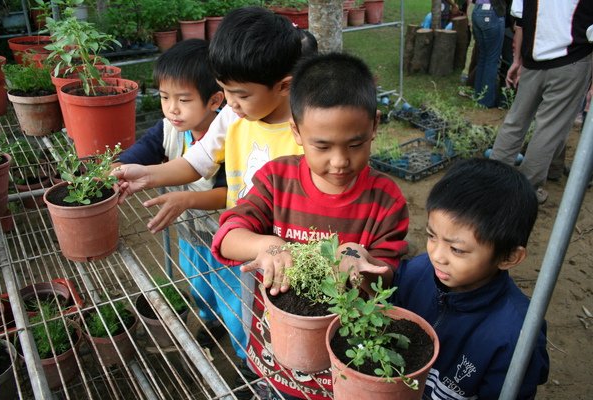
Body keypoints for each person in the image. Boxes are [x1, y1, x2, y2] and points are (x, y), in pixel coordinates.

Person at [112, 6, 310, 396]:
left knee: (272, 325)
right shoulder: (234, 116)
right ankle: (251, 365)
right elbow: (196, 162)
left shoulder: (302, 133)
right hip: (236, 238)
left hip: (277, 252)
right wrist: (145, 174)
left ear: (284, 86)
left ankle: (263, 376)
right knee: (241, 316)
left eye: (241, 94)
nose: (231, 103)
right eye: (226, 90)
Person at [211, 52, 409, 400]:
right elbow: (227, 236)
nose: (340, 161)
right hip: (276, 351)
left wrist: (360, 262)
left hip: (346, 359)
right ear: (297, 131)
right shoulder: (277, 179)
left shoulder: (386, 199)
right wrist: (266, 246)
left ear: (374, 126)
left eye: (355, 144)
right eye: (322, 145)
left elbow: (387, 273)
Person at [112, 39, 247, 360]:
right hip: (192, 235)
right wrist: (115, 169)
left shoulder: (231, 136)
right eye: (164, 97)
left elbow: (229, 193)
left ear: (215, 99)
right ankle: (210, 321)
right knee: (198, 284)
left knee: (234, 299)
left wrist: (185, 200)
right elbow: (140, 153)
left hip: (228, 239)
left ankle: (246, 358)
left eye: (183, 99)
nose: (172, 108)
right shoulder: (169, 129)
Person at [393, 158, 549, 399]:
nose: (436, 255)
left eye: (457, 250)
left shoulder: (515, 334)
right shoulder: (418, 271)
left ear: (508, 257)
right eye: (432, 236)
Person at [490, 0, 593, 203]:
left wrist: (518, 60)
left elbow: (519, 21)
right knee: (549, 129)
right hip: (571, 61)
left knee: (516, 121)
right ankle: (527, 188)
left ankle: (493, 177)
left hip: (532, 61)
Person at [468, 0, 509, 108]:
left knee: (483, 57)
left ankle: (478, 95)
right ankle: (486, 101)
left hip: (477, 9)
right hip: (492, 11)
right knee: (492, 59)